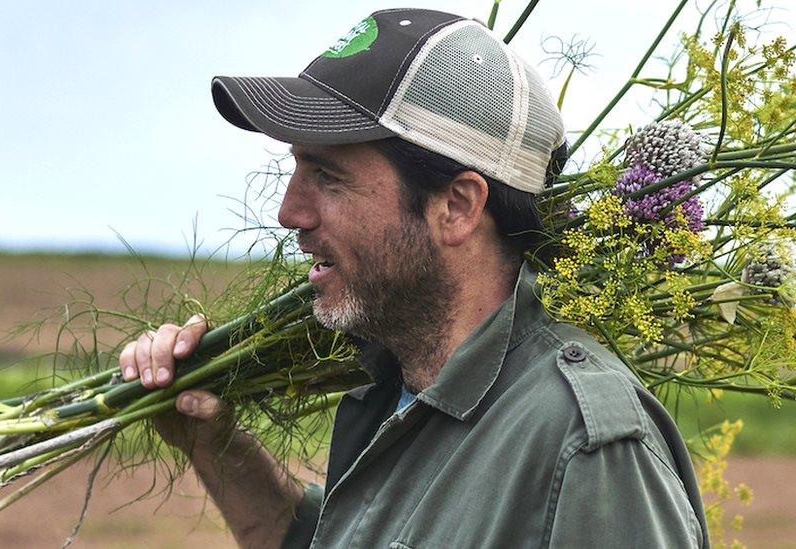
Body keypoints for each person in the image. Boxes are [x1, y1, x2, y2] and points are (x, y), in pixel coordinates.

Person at [120, 9, 709, 548]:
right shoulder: (400, 389)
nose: (289, 212)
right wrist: (207, 438)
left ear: (456, 206)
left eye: (327, 175)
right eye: (295, 166)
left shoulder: (584, 447)